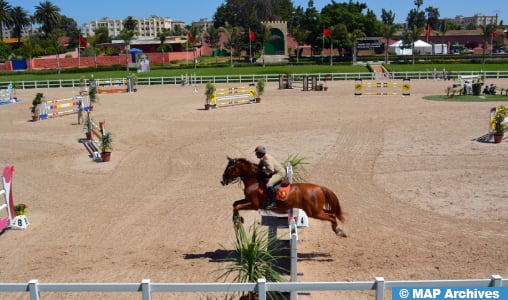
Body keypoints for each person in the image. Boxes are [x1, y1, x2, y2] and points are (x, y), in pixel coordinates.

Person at [254, 145, 286, 210]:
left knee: (269, 184)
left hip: (279, 173)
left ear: (260, 153)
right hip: (275, 172)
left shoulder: (266, 159)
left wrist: (262, 170)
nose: (255, 154)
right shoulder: (263, 158)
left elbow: (271, 170)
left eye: (256, 153)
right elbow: (259, 167)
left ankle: (273, 203)